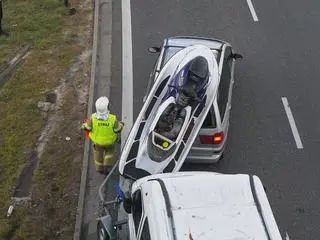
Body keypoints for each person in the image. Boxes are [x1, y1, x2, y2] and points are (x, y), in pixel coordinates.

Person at [82, 96, 124, 175]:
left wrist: (83, 125)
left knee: (98, 156)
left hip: (97, 143)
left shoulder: (92, 118)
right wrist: (121, 124)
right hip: (110, 142)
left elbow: (87, 128)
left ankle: (99, 168)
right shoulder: (112, 119)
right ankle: (107, 163)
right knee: (109, 153)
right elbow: (118, 129)